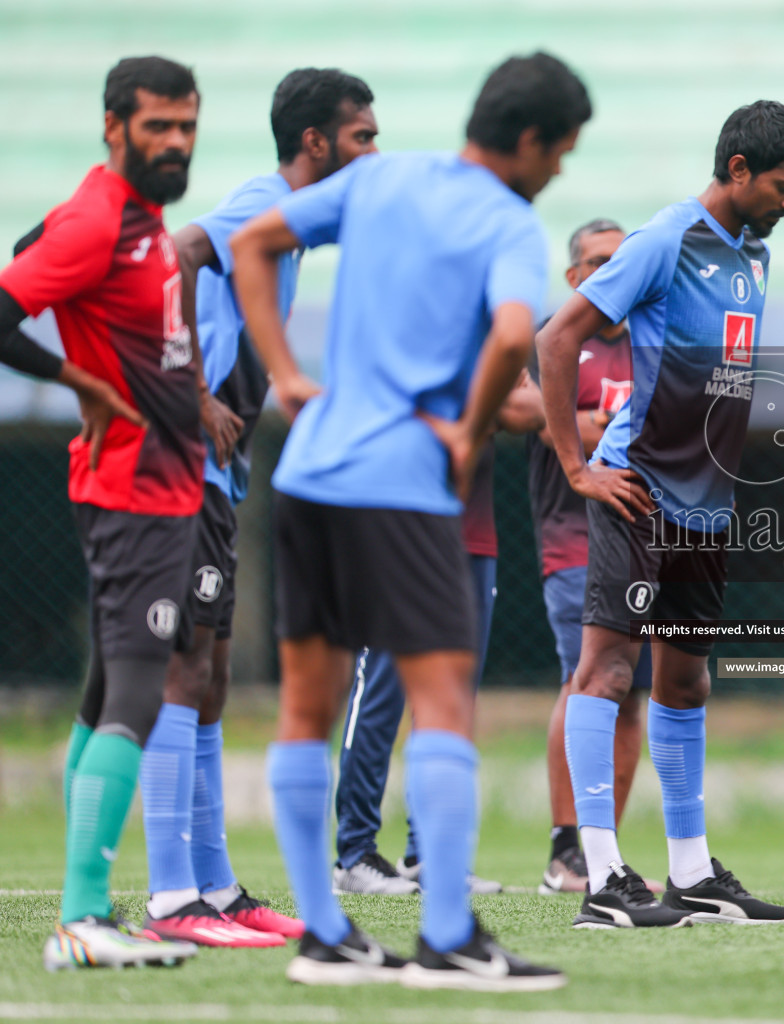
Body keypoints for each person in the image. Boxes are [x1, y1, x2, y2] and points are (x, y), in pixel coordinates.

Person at [229, 52, 587, 989]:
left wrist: (288, 376)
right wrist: (467, 434)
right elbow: (517, 334)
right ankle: (445, 941)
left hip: (309, 474)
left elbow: (252, 243)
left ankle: (325, 935)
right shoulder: (509, 221)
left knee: (307, 708)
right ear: (531, 142)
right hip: (402, 486)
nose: (558, 173)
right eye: (561, 154)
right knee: (443, 708)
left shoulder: (380, 176)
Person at [535, 100, 784, 928]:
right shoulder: (664, 240)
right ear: (737, 169)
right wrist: (576, 467)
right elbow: (558, 340)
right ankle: (600, 877)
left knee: (687, 678)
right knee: (607, 672)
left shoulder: (755, 250)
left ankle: (691, 874)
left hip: (709, 503)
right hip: (639, 489)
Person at [133, 66, 378, 949]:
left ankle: (216, 886)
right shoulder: (259, 204)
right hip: (183, 460)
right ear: (315, 143)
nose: (372, 153)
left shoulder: (293, 225)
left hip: (218, 473)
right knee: (182, 668)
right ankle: (171, 897)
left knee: (213, 672)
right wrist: (197, 391)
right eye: (361, 137)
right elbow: (179, 252)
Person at [0, 56, 206, 970]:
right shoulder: (98, 219)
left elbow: (27, 248)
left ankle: (88, 904)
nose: (175, 143)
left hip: (159, 488)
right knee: (136, 692)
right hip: (130, 491)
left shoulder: (131, 216)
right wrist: (74, 376)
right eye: (158, 126)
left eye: (187, 126)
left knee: (104, 693)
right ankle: (83, 918)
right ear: (113, 126)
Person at [513, 218, 653, 894]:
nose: (610, 273)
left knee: (633, 700)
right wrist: (572, 421)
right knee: (585, 681)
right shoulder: (554, 341)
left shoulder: (657, 341)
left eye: (621, 262)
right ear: (573, 278)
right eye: (597, 262)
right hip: (574, 543)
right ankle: (566, 848)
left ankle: (604, 847)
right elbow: (508, 403)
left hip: (652, 549)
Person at [331, 449, 503, 898]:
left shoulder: (493, 373)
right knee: (382, 692)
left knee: (451, 701)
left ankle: (426, 854)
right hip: (400, 523)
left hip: (474, 536)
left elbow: (527, 411)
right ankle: (354, 853)